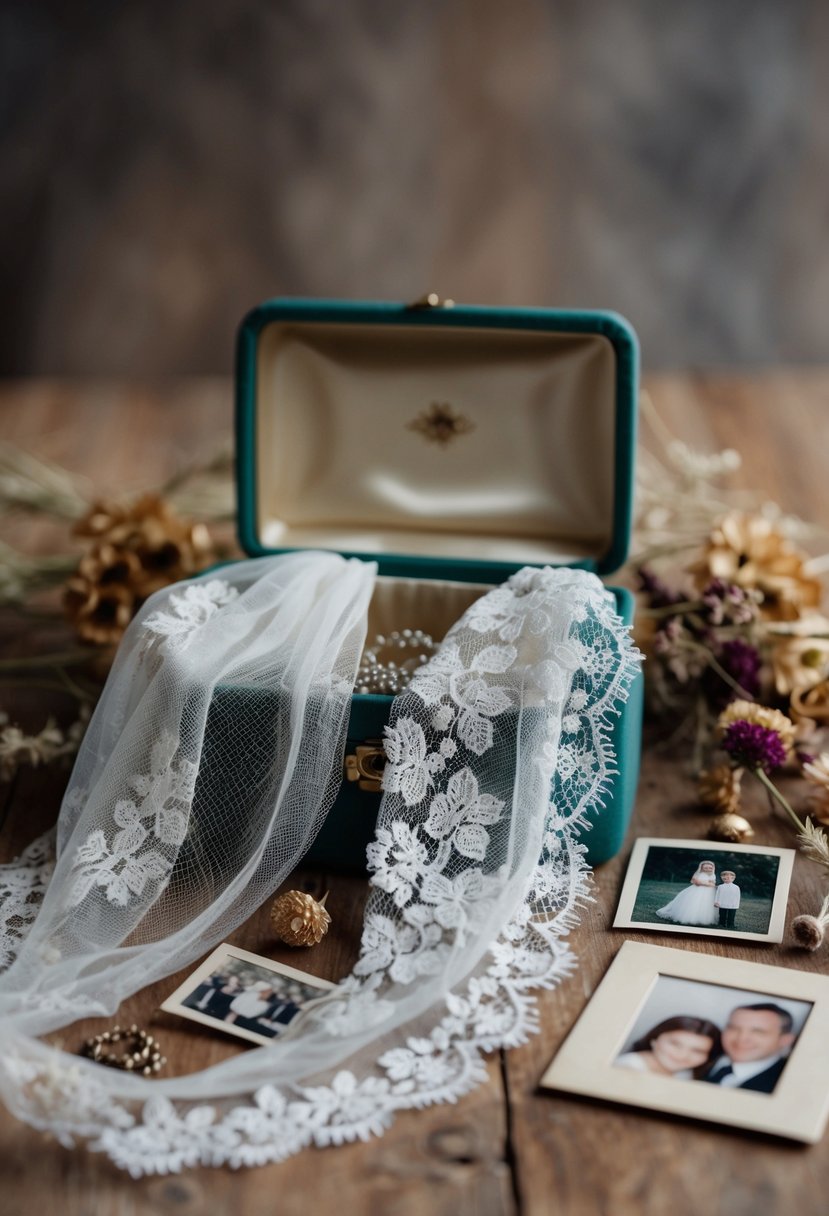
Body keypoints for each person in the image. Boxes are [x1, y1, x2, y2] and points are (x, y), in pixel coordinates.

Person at [702, 1003, 796, 1093]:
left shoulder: (790, 1083)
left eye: (758, 1032)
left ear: (785, 1040)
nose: (741, 1038)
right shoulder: (701, 1059)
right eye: (734, 1028)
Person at [616, 1016, 721, 1080]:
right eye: (675, 1044)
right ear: (654, 1040)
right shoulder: (625, 1068)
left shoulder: (685, 1074)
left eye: (697, 1051)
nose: (682, 1055)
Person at [655, 860, 718, 926]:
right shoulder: (699, 873)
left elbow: (713, 883)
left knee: (707, 905)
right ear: (702, 868)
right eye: (706, 868)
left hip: (709, 892)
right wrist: (707, 884)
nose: (708, 869)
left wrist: (712, 885)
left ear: (713, 868)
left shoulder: (713, 874)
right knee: (695, 904)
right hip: (698, 891)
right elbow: (695, 882)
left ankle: (704, 918)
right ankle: (691, 917)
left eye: (710, 868)